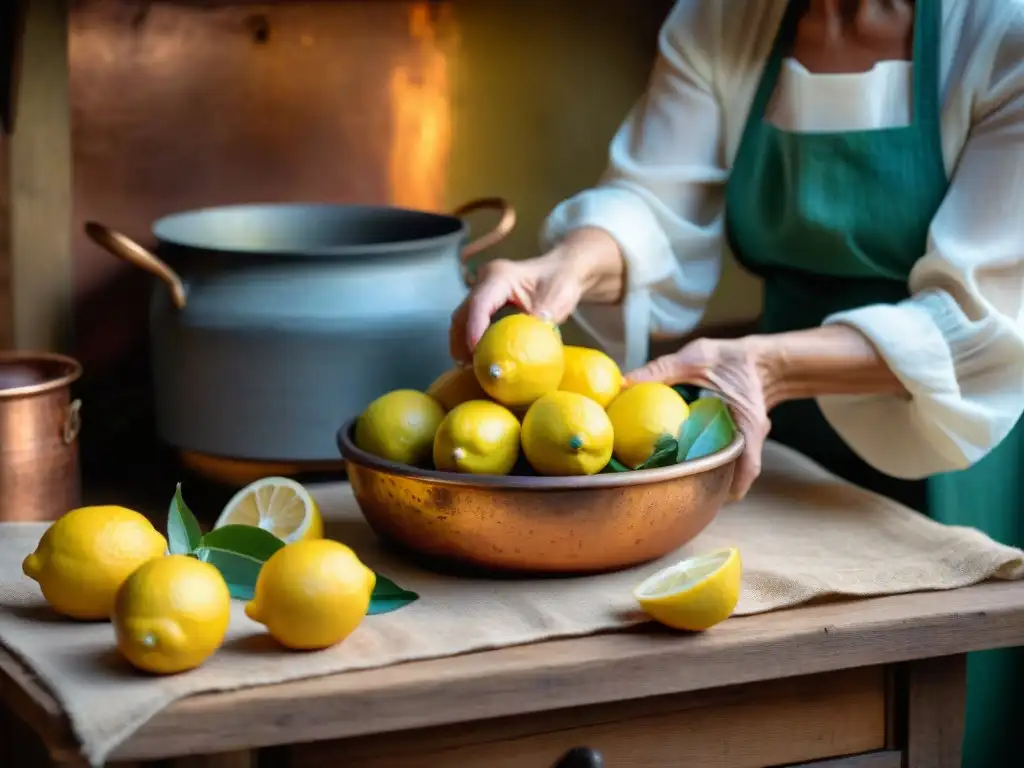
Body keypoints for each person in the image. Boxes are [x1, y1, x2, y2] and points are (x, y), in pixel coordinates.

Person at [449, 0, 1024, 764]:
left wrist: (769, 364)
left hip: (951, 441)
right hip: (775, 444)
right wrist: (567, 267)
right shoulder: (725, 18)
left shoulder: (1001, 34)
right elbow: (653, 204)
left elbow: (980, 321)